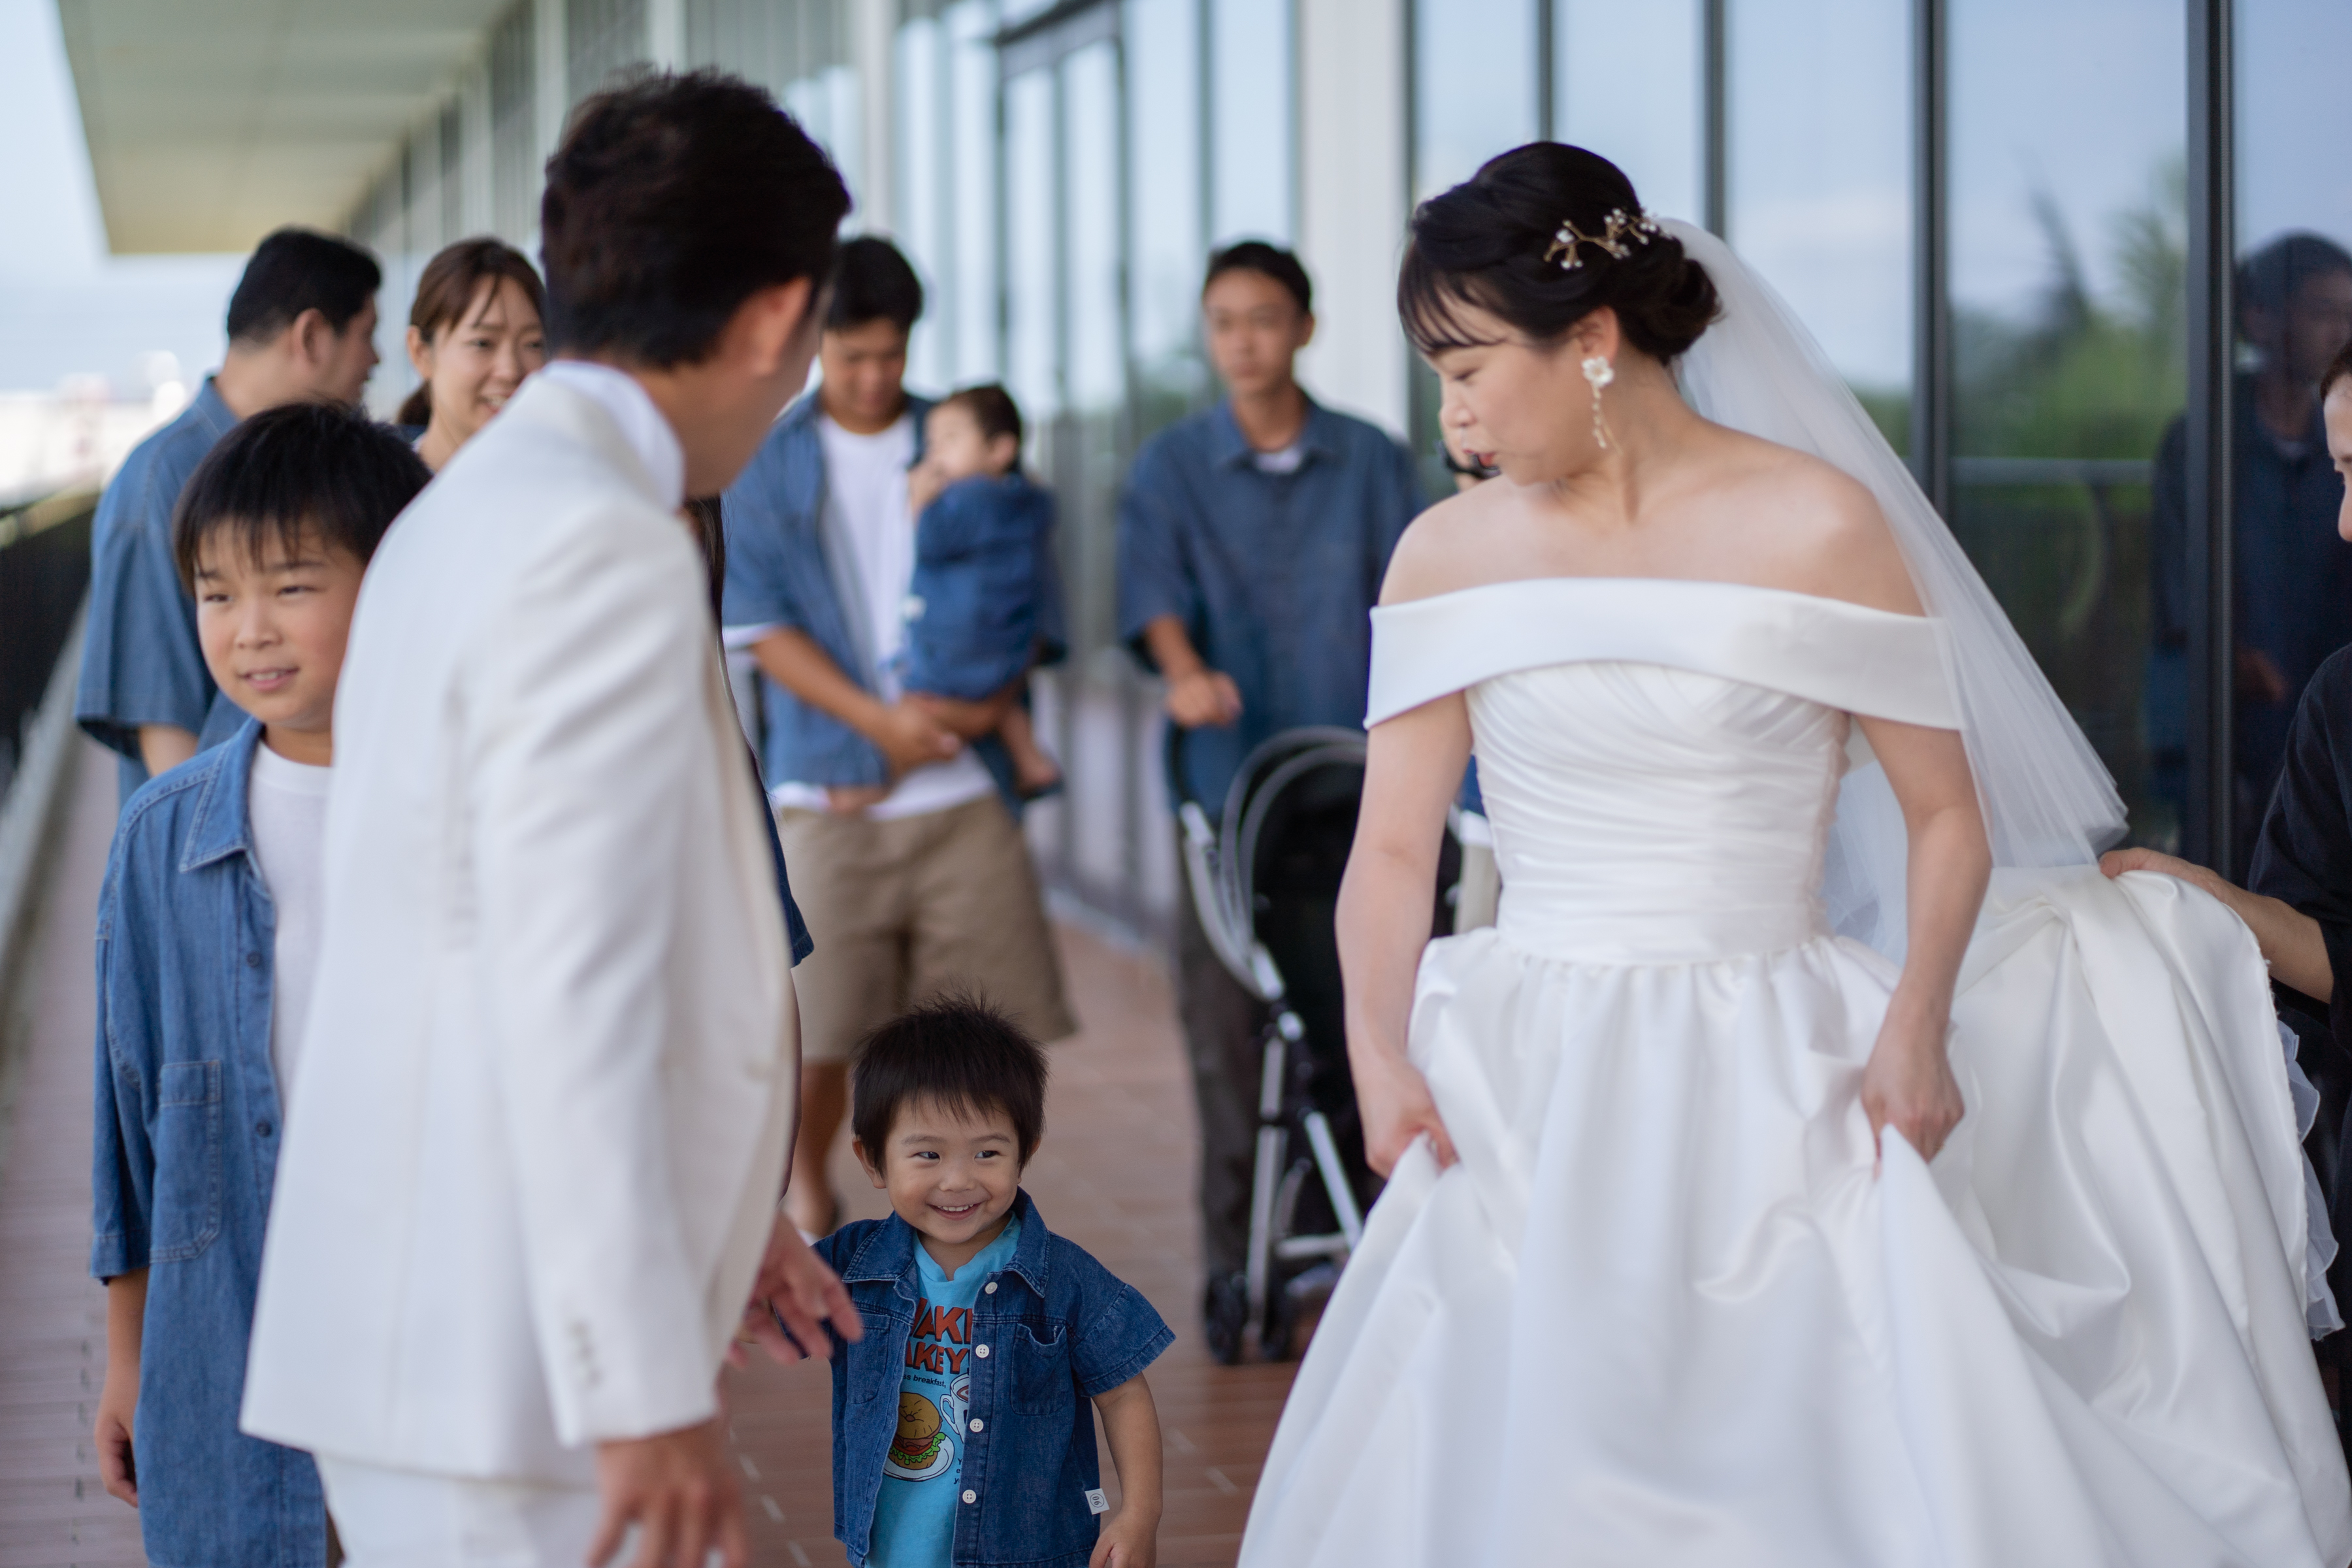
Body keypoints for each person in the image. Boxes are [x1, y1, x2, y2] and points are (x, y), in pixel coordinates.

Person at [1237, 143, 2351, 1565]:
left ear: (1592, 339)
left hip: (1779, 1054)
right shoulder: (1444, 556)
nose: (1448, 411)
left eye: (1467, 368)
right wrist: (1377, 1053)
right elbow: (1393, 850)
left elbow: (1945, 817)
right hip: (1525, 1069)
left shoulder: (1818, 524)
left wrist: (1916, 1027)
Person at [238, 72, 862, 1568]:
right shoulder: (601, 540)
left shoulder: (463, 510)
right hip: (521, 1374)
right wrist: (638, 1383)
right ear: (777, 317)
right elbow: (565, 981)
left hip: (442, 1324)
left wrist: (725, 1220)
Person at [89, 403, 430, 1568]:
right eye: (217, 593)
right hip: (228, 1348)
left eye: (292, 587)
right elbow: (132, 1118)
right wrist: (129, 1358)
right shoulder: (162, 837)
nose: (250, 632)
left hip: (440, 1337)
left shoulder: (483, 810)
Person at [723, 235, 1074, 1239]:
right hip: (831, 789)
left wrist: (971, 714)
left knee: (984, 1044)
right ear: (815, 344)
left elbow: (1029, 587)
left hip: (964, 785)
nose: (874, 376)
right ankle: (810, 1199)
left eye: (891, 354)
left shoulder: (963, 436)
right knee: (818, 1035)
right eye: (852, 356)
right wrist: (883, 725)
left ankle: (966, 1233)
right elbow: (762, 628)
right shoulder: (766, 457)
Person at [1113, 240, 1422, 1356]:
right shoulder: (1171, 466)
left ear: (1305, 327)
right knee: (1233, 1035)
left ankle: (1376, 1251)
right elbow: (1151, 595)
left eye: (1263, 319)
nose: (1243, 342)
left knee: (1370, 1018)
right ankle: (1236, 1269)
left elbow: (1418, 597)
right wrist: (1183, 669)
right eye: (1223, 323)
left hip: (1366, 793)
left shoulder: (1373, 461)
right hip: (1229, 795)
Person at [812, 995, 1170, 1568]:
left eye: (986, 1153)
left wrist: (1140, 1514)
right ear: (873, 1160)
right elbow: (758, 1316)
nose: (958, 1181)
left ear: (1025, 1152)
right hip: (891, 1550)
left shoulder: (1062, 1278)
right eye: (927, 1155)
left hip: (1030, 1552)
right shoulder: (854, 1264)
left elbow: (1124, 1393)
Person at [76, 227, 383, 808]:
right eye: (367, 334)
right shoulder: (159, 482)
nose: (376, 359)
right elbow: (164, 727)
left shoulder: (330, 466)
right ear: (312, 336)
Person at [2152, 233, 2352, 861]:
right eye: (2323, 311)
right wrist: (2231, 659)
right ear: (2261, 318)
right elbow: (2179, 586)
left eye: (2351, 314)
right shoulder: (2204, 438)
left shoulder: (2339, 438)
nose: (2341, 332)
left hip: (2329, 712)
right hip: (2225, 725)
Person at [903, 383, 1062, 797]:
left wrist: (919, 502)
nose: (936, 454)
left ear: (1000, 450)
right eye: (932, 442)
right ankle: (1031, 759)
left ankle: (930, 753)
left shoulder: (966, 498)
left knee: (918, 700)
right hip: (1010, 635)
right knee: (1006, 706)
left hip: (962, 639)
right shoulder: (1026, 499)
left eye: (951, 440)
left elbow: (931, 543)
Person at [397, 237, 549, 470]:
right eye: (482, 343)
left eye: (534, 344)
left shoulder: (572, 484)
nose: (510, 371)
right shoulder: (380, 490)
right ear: (421, 353)